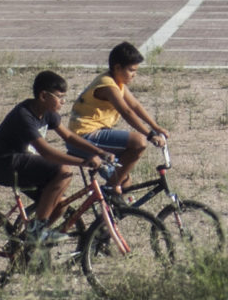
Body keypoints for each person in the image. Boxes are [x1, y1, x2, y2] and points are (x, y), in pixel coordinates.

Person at [0, 70, 115, 235]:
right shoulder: (24, 116)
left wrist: (100, 152)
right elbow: (46, 152)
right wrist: (84, 162)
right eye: (60, 97)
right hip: (5, 164)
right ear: (43, 96)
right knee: (64, 172)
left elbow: (68, 136)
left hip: (24, 162)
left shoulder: (48, 112)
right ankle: (37, 229)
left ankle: (29, 242)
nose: (63, 102)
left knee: (61, 204)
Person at [69, 40, 168, 189]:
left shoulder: (117, 82)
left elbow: (134, 105)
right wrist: (149, 135)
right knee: (139, 142)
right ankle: (110, 190)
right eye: (131, 70)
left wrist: (156, 127)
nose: (134, 75)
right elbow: (126, 111)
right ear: (117, 67)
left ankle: (111, 206)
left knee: (125, 181)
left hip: (97, 133)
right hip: (83, 136)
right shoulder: (108, 85)